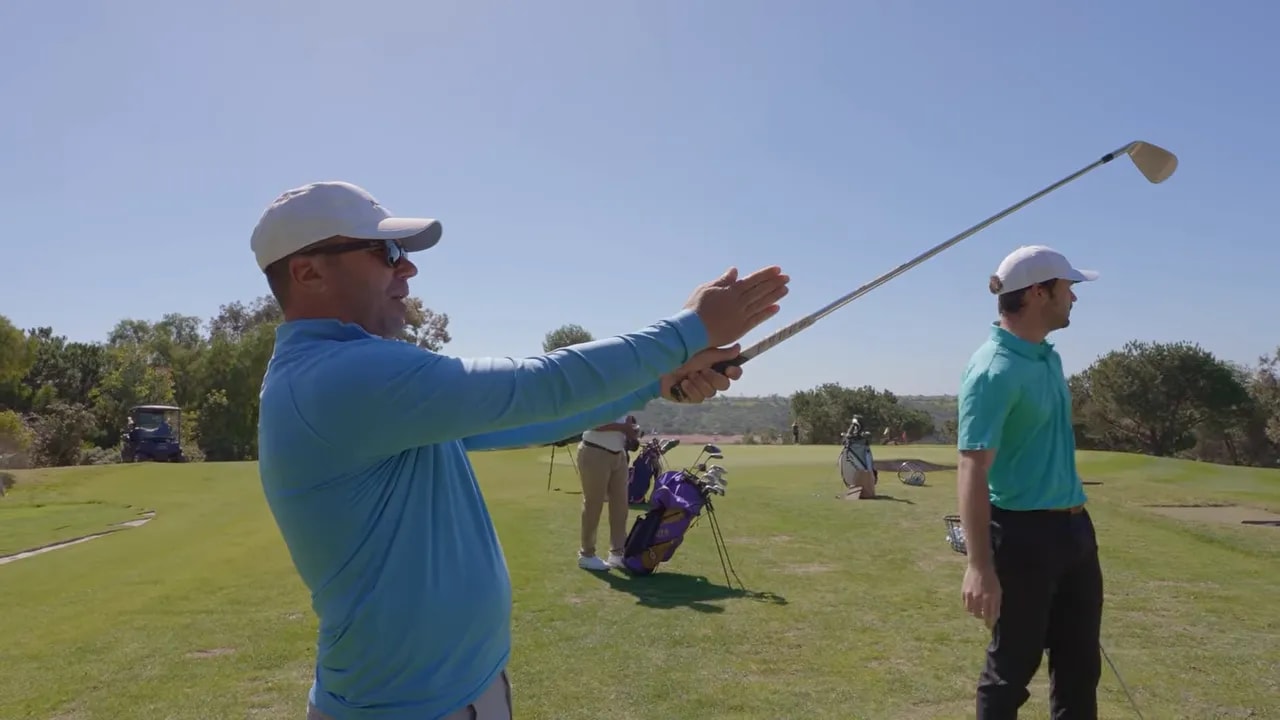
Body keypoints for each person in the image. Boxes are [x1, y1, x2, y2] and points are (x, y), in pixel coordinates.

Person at [248, 180, 790, 720]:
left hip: (468, 688)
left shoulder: (350, 379)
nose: (406, 268)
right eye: (386, 252)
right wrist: (687, 331)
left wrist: (657, 381)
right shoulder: (333, 377)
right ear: (308, 272)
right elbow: (535, 385)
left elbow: (531, 417)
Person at [955, 244, 1103, 719]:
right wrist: (979, 566)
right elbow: (973, 468)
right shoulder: (993, 369)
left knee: (1080, 668)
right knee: (1010, 673)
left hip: (1075, 530)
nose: (1073, 298)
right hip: (1022, 537)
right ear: (1039, 293)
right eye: (1067, 288)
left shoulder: (1046, 358)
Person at [574, 413, 639, 570]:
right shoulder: (599, 398)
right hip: (594, 451)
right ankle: (586, 555)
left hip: (619, 454)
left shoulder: (623, 402)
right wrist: (623, 428)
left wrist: (630, 431)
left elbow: (625, 425)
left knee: (620, 506)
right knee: (593, 504)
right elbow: (592, 422)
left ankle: (617, 553)